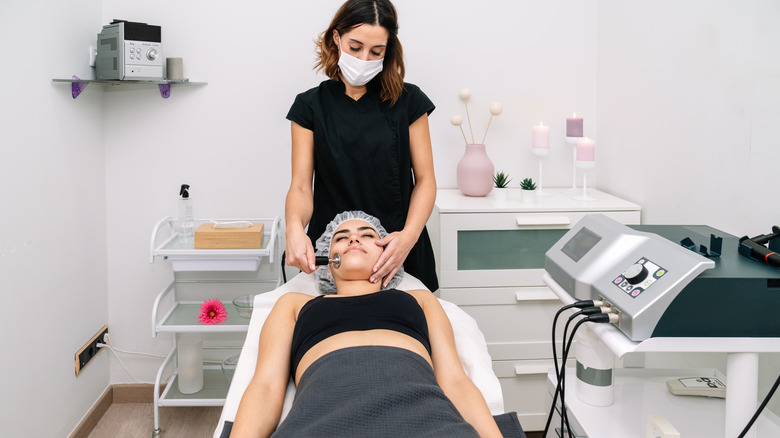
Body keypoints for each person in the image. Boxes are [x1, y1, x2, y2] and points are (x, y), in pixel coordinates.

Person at [230, 211, 502, 437]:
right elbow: (265, 387)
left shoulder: (419, 299)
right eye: (341, 237)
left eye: (368, 235)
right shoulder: (294, 304)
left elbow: (455, 381)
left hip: (425, 416)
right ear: (326, 259)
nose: (354, 239)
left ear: (389, 255)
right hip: (320, 420)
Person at [284, 0, 439, 292]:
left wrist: (408, 237)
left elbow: (426, 180)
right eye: (355, 48)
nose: (365, 59)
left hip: (399, 250)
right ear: (336, 38)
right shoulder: (310, 106)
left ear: (388, 50)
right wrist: (294, 227)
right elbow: (301, 187)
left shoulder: (409, 101)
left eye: (376, 52)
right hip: (336, 257)